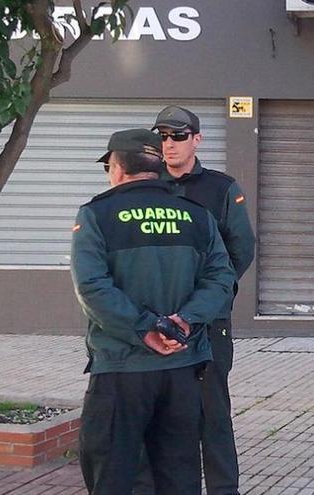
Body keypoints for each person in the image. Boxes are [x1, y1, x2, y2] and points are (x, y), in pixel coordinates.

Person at [71, 128, 235, 494]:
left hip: (122, 369)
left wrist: (144, 329)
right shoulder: (197, 216)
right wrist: (186, 321)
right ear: (158, 168)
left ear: (117, 168)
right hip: (183, 370)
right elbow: (221, 280)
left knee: (111, 474)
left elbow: (93, 287)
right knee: (179, 476)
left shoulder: (97, 215)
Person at [135, 106, 255, 495]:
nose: (169, 144)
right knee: (158, 412)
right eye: (163, 137)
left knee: (211, 412)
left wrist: (209, 299)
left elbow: (241, 251)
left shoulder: (221, 189)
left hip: (207, 323)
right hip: (157, 321)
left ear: (197, 140)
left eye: (178, 136)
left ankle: (223, 489)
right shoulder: (147, 187)